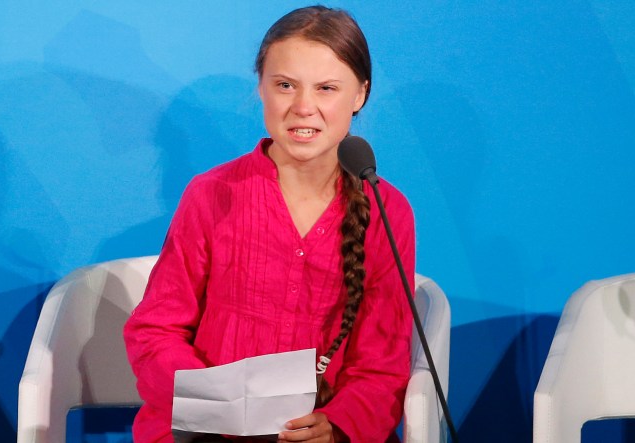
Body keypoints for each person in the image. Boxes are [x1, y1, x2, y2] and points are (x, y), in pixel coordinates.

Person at [124, 5, 416, 443]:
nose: (304, 107)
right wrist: (212, 404)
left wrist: (339, 424)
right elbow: (155, 330)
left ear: (359, 95)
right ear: (261, 87)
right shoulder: (211, 193)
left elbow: (382, 362)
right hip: (207, 432)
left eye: (326, 89)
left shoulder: (386, 209)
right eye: (285, 85)